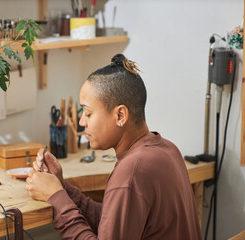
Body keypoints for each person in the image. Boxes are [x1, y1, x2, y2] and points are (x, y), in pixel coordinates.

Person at [26, 53, 201, 239]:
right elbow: (112, 221)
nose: (81, 120)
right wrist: (62, 188)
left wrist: (56, 197)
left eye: (88, 113)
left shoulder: (131, 172)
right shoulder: (168, 149)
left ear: (120, 116)